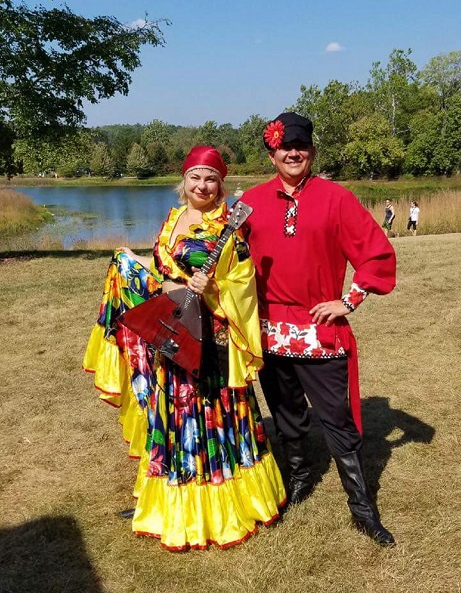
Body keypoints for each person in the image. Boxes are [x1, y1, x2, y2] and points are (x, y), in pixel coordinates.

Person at [83, 146, 286, 551]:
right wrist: (133, 259)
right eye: (196, 176)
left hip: (208, 338)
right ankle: (165, 504)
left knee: (207, 417)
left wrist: (212, 287)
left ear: (221, 183)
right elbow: (163, 270)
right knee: (172, 417)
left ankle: (219, 510)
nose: (202, 185)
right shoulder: (174, 217)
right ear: (184, 180)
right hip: (173, 335)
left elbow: (242, 282)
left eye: (211, 178)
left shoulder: (228, 225)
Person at [239, 113, 397, 546]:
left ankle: (362, 508)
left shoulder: (336, 199)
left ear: (311, 151)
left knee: (337, 420)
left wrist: (348, 301)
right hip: (269, 332)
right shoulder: (248, 203)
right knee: (287, 414)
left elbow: (376, 255)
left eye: (301, 146)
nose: (293, 153)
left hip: (318, 331)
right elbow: (216, 251)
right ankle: (299, 479)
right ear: (271, 152)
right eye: (284, 146)